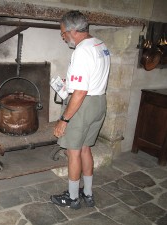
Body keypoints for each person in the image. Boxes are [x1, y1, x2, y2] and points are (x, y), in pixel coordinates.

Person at [50, 10, 110, 209]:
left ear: (72, 30)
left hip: (82, 106)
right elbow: (89, 80)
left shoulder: (82, 50)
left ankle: (73, 198)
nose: (63, 37)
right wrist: (70, 83)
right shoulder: (100, 44)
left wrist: (64, 120)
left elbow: (81, 92)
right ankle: (88, 193)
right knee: (85, 148)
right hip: (99, 102)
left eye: (63, 33)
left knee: (72, 151)